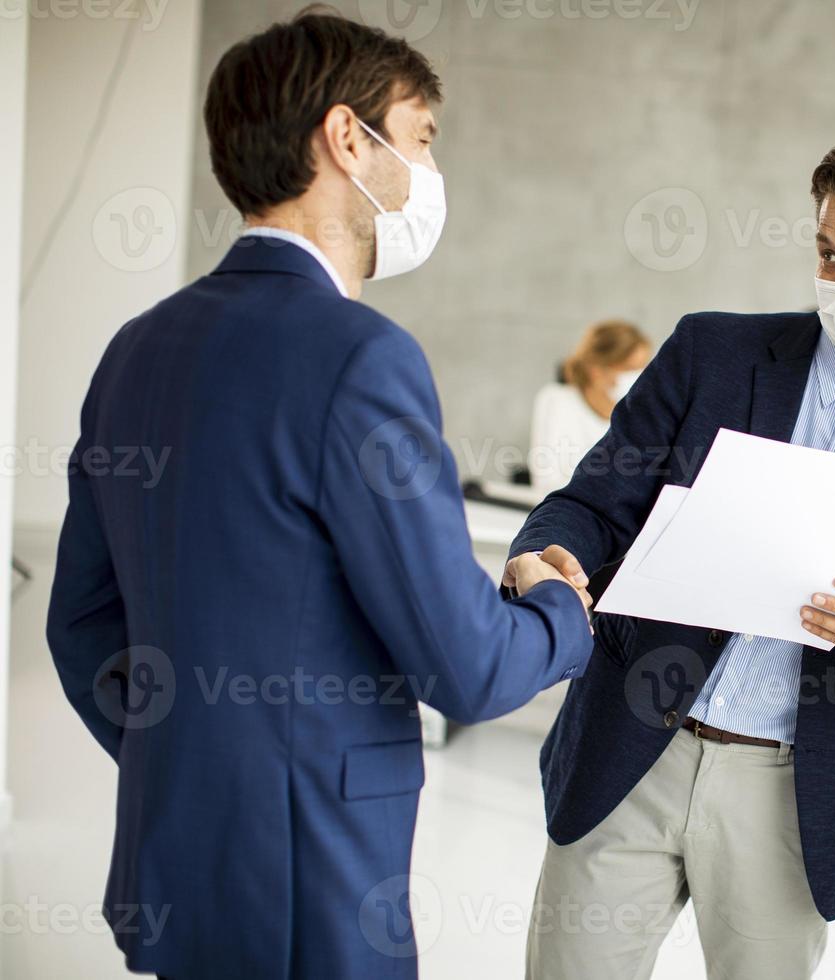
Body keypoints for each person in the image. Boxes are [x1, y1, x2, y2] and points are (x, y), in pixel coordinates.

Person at [45, 10, 593, 978]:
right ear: (349, 138)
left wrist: (187, 760)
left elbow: (82, 623)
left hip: (174, 859)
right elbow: (463, 666)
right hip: (310, 888)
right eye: (422, 139)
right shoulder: (360, 356)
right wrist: (557, 609)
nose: (429, 174)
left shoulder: (138, 346)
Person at [505, 136, 835, 980]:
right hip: (631, 749)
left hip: (792, 793)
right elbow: (586, 506)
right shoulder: (712, 356)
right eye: (831, 255)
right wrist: (544, 557)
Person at [529, 319, 651, 496]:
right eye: (630, 369)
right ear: (596, 369)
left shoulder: (638, 416)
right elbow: (549, 480)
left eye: (644, 368)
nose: (640, 378)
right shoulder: (558, 400)